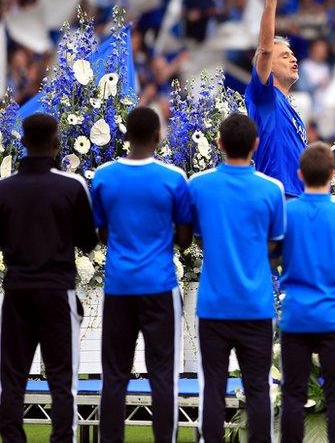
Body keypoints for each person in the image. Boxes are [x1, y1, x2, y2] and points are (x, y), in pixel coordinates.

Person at [92, 107, 193, 443]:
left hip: (119, 286)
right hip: (159, 286)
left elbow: (102, 232)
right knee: (163, 375)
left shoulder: (104, 176)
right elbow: (184, 235)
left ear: (124, 136)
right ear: (157, 137)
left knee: (115, 375)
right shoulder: (173, 178)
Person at [0, 114, 97, 443]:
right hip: (57, 291)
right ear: (56, 143)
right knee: (61, 378)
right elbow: (88, 241)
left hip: (17, 291)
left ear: (23, 143)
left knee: (12, 376)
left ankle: (13, 438)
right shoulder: (71, 187)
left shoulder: (4, 189)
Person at [188, 114, 285, 443]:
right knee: (258, 389)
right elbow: (275, 242)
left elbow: (196, 235)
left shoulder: (199, 185)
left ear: (218, 144)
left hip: (214, 304)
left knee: (212, 388)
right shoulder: (272, 189)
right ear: (256, 145)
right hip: (255, 305)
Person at [279, 143, 335, 443]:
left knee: (293, 394)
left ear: (300, 174)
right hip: (333, 316)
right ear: (332, 173)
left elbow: (274, 257)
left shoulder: (287, 212)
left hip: (296, 315)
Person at [247, 0, 307, 198]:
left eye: (293, 55)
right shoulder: (265, 96)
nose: (293, 59)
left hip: (299, 199)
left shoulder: (292, 113)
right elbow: (265, 49)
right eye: (284, 55)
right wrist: (271, 1)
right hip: (276, 196)